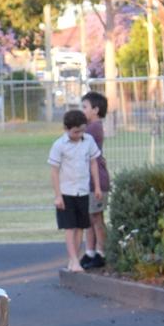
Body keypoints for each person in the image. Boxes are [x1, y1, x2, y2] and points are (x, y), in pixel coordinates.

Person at [48, 108, 103, 273]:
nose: (79, 134)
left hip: (83, 190)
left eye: (82, 131)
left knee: (81, 226)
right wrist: (58, 195)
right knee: (69, 227)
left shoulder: (89, 141)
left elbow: (93, 163)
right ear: (66, 129)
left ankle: (75, 259)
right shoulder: (59, 145)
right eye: (75, 132)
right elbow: (54, 171)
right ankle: (72, 258)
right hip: (66, 191)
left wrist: (97, 186)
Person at [80, 91, 111, 268]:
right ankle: (90, 251)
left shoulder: (93, 128)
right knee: (89, 218)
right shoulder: (90, 127)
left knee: (96, 218)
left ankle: (102, 252)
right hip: (87, 180)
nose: (82, 110)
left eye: (85, 107)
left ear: (96, 110)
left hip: (97, 180)